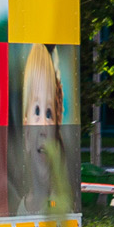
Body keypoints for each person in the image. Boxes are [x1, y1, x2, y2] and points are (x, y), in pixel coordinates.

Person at [18, 43, 66, 213]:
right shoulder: (20, 210)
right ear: (26, 134)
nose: (44, 127)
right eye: (37, 111)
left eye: (49, 113)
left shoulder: (60, 206)